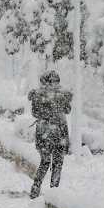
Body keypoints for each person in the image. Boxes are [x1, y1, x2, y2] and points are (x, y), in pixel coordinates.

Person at [28, 70, 72, 199]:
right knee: (57, 163)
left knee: (45, 161)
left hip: (44, 132)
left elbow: (35, 113)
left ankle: (36, 187)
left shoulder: (38, 95)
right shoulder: (62, 95)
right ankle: (54, 192)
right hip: (59, 131)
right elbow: (68, 110)